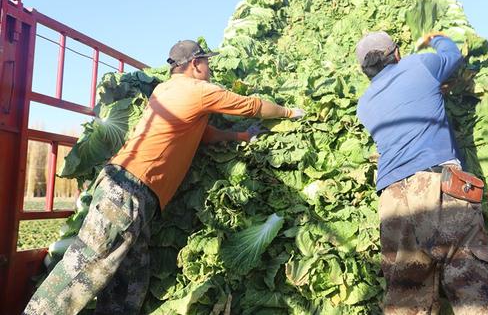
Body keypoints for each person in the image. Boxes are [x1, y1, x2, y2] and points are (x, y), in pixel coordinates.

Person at [24, 40, 305, 315]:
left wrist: (240, 136)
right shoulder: (198, 90)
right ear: (195, 64)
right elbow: (252, 106)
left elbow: (202, 134)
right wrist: (289, 112)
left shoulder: (165, 90)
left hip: (136, 192)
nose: (210, 69)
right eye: (207, 63)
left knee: (129, 281)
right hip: (128, 189)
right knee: (85, 266)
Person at [355, 31, 488, 315]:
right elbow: (453, 56)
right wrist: (436, 38)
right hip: (435, 186)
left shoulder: (365, 104)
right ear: (396, 54)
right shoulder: (418, 66)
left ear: (366, 71)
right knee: (470, 284)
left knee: (406, 295)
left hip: (392, 200)